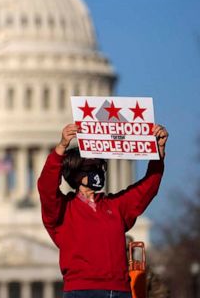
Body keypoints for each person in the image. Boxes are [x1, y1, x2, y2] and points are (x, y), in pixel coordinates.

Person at [37, 123, 168, 298]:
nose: (98, 172)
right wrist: (61, 148)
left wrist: (158, 154)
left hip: (120, 290)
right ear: (77, 175)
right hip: (82, 291)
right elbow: (46, 187)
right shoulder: (63, 211)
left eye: (100, 167)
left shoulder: (115, 206)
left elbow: (148, 188)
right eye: (91, 169)